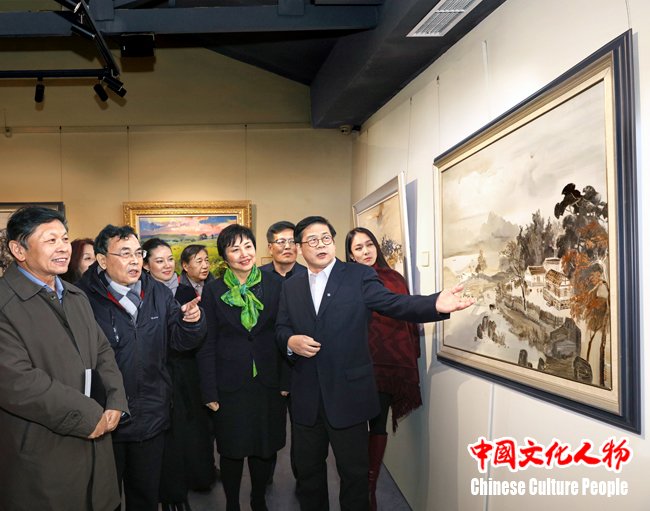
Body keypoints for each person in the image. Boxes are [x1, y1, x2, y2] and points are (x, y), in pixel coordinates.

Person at [276, 215, 475, 511]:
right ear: (299, 247)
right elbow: (281, 328)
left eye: (326, 238)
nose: (321, 245)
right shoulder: (291, 286)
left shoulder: (358, 276)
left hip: (349, 396)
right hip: (307, 397)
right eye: (312, 240)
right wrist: (290, 342)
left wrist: (433, 303)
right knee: (308, 476)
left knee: (354, 476)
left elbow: (393, 303)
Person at [0, 206, 128, 511]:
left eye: (65, 238)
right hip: (42, 448)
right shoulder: (5, 304)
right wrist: (88, 415)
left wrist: (115, 400)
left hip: (96, 440)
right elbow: (18, 382)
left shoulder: (75, 295)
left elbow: (102, 351)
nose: (63, 248)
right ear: (18, 249)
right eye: (50, 240)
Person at [77, 225, 207, 511]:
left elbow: (179, 341)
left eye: (138, 253)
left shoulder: (158, 292)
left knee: (145, 496)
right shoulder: (82, 298)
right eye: (125, 254)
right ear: (102, 260)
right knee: (103, 499)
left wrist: (191, 322)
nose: (135, 261)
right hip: (105, 418)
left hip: (151, 413)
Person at [196, 224, 287, 511]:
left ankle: (258, 500)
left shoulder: (275, 285)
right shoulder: (213, 290)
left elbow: (284, 333)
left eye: (248, 246)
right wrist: (209, 390)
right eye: (235, 249)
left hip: (267, 381)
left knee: (264, 448)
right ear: (225, 256)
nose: (244, 253)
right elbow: (207, 343)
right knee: (231, 450)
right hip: (229, 384)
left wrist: (286, 380)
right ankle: (232, 504)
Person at [345, 226, 422, 510]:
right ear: (350, 255)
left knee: (377, 425)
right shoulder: (346, 282)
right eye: (358, 248)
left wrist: (410, 354)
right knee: (353, 427)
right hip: (354, 366)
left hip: (387, 368)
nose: (366, 251)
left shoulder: (394, 279)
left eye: (369, 245)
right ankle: (355, 482)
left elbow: (408, 315)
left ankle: (370, 487)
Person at [142, 238, 217, 511]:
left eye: (168, 259)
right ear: (146, 265)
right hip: (156, 373)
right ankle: (172, 492)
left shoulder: (186, 291)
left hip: (188, 371)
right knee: (166, 435)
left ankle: (197, 478)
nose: (166, 265)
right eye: (158, 260)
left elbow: (201, 336)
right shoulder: (143, 295)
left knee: (193, 429)